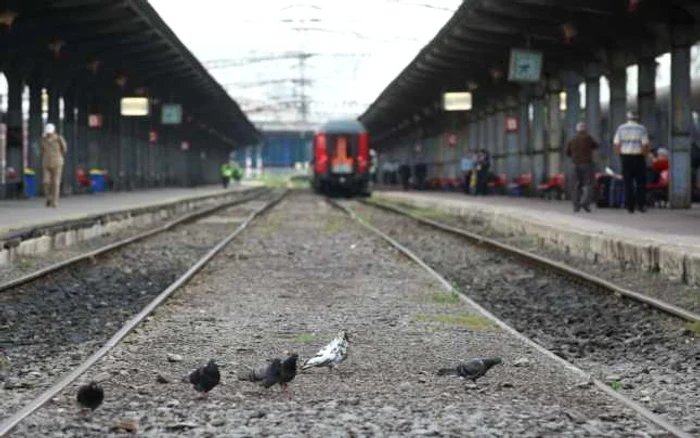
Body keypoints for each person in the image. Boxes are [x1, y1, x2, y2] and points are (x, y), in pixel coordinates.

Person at [614, 111, 650, 213]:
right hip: (638, 157)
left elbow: (617, 144)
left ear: (628, 118)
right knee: (640, 183)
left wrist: (621, 155)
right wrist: (644, 156)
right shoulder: (641, 128)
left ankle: (629, 207)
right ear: (637, 118)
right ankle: (641, 205)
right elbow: (645, 144)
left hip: (625, 157)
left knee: (627, 182)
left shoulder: (621, 128)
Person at [565, 121, 598, 212]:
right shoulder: (588, 138)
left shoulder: (572, 139)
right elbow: (596, 146)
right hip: (587, 164)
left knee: (576, 185)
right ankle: (585, 202)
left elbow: (567, 152)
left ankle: (576, 206)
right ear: (585, 129)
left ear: (577, 130)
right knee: (589, 184)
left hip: (575, 164)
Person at [40, 123, 67, 208]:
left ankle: (55, 202)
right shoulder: (43, 139)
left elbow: (64, 149)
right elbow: (42, 150)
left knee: (55, 182)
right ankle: (49, 198)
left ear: (53, 131)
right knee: (46, 181)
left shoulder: (59, 139)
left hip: (57, 163)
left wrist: (59, 157)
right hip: (46, 163)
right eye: (47, 132)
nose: (48, 134)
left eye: (50, 132)